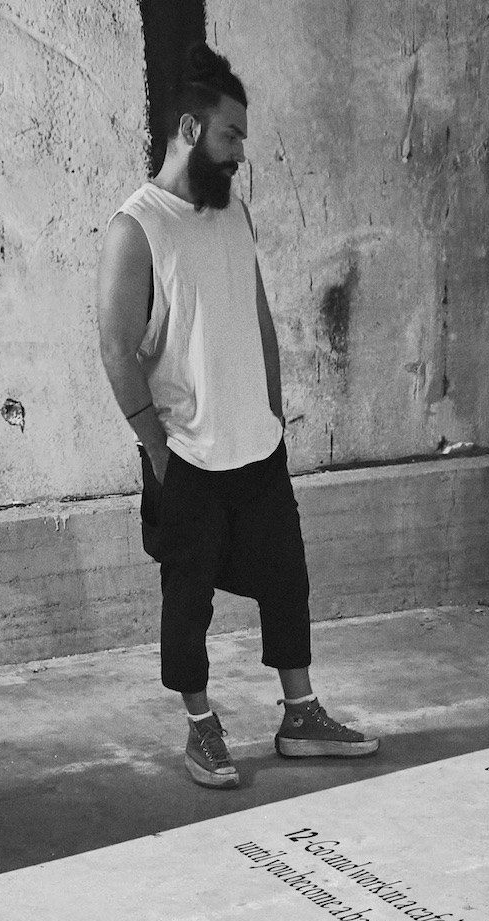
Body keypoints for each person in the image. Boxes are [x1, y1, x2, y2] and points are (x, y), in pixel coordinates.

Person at [95, 41, 379, 789]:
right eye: (230, 136)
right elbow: (117, 349)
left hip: (257, 446)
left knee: (288, 578)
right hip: (186, 453)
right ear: (190, 131)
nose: (241, 153)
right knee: (186, 604)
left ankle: (301, 713)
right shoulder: (138, 228)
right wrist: (158, 451)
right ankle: (201, 726)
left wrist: (274, 418)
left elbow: (259, 325)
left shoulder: (232, 216)